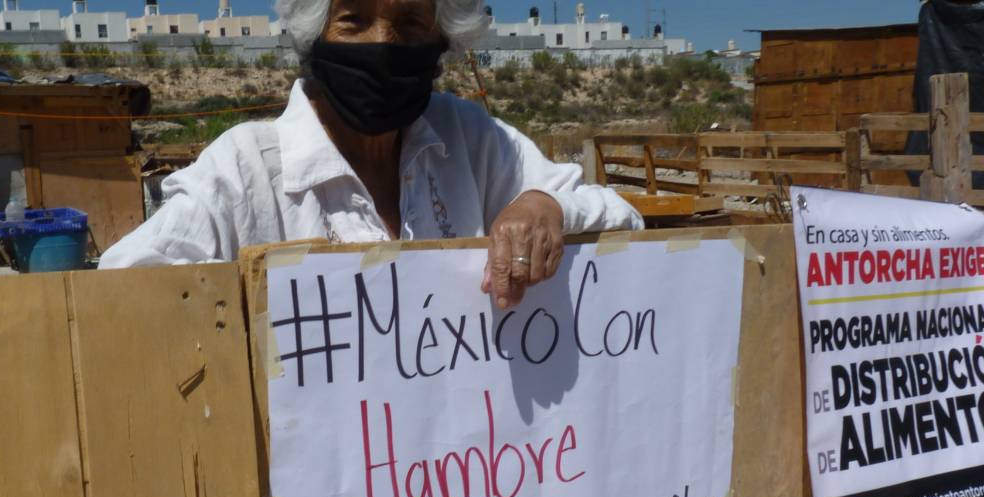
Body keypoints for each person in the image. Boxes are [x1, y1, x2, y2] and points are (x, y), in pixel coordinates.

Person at [100, 0, 643, 308]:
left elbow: (626, 222)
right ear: (315, 34)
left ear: (441, 39)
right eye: (353, 19)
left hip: (465, 465)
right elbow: (124, 287)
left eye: (410, 23)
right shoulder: (247, 168)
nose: (383, 44)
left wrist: (546, 206)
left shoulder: (473, 138)